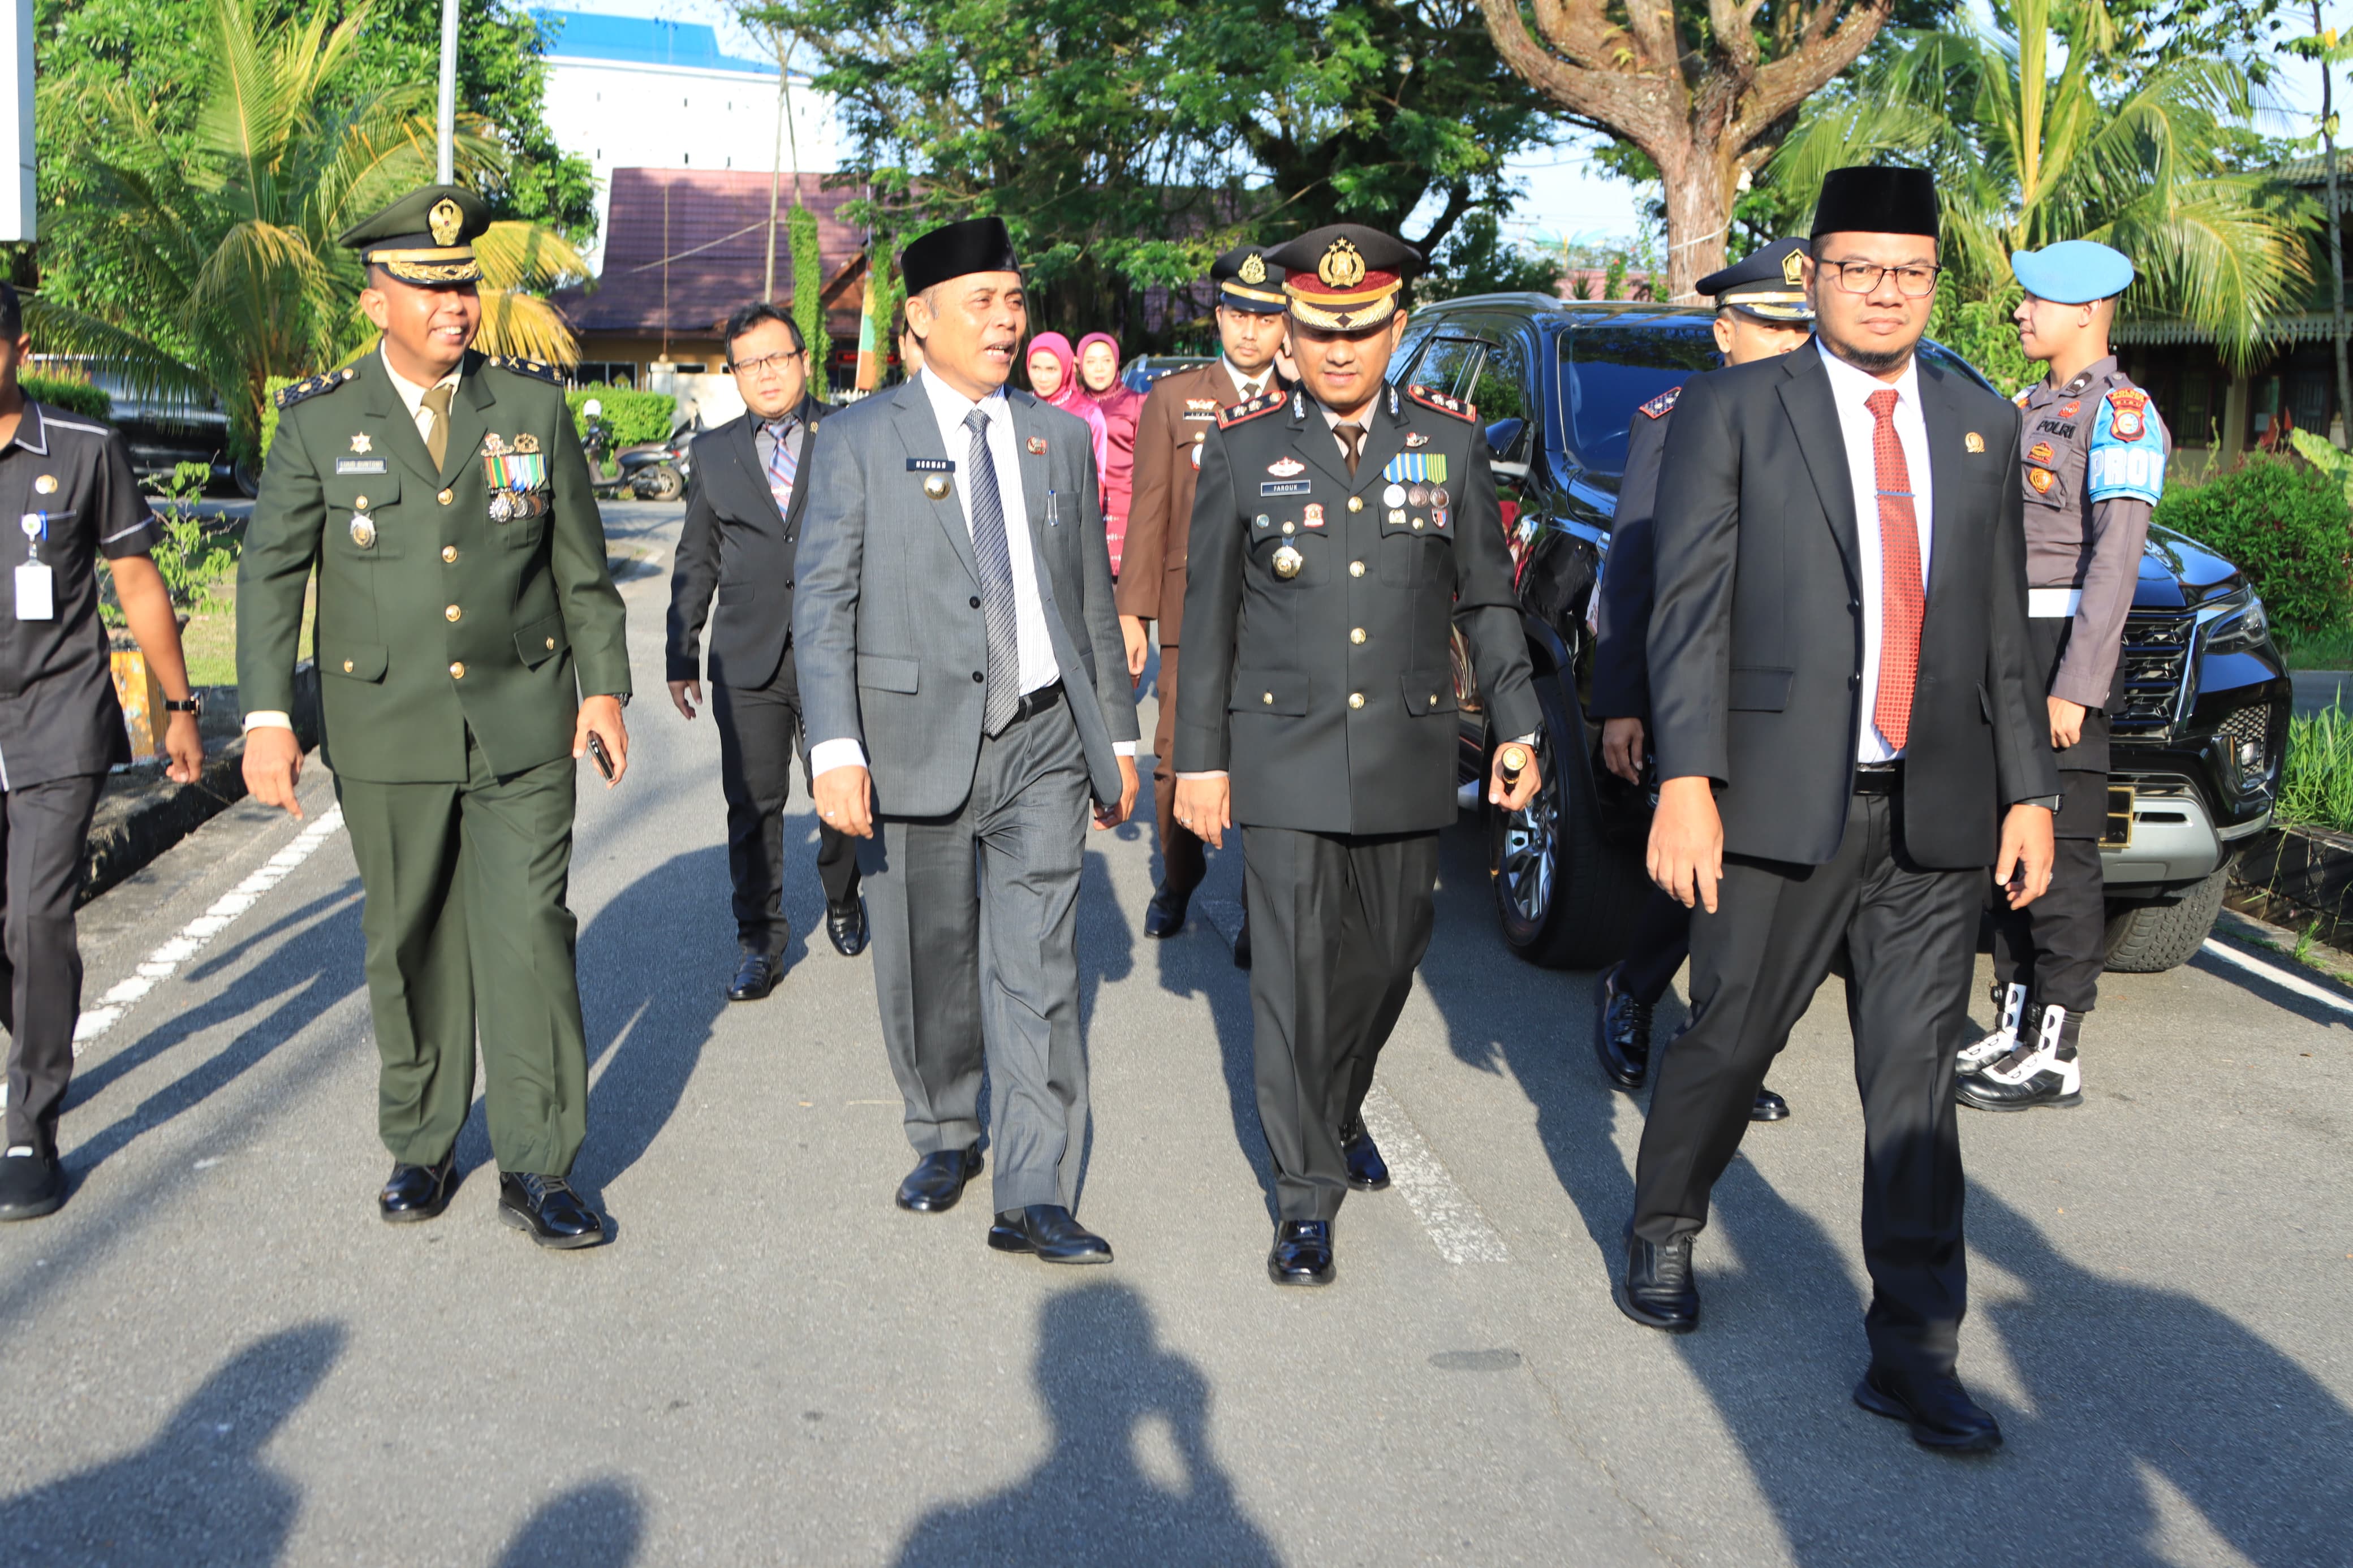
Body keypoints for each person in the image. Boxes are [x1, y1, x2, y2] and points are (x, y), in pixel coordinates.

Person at [1631, 166, 2057, 1452]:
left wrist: (2028, 793)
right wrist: (1687, 785)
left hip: (1934, 815)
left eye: (1910, 270)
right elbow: (1687, 608)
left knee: (1915, 1085)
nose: (1886, 290)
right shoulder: (1734, 410)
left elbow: (1996, 635)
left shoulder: (1978, 420)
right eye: (1861, 267)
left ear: (1934, 281)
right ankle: (1664, 1221)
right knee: (1731, 1038)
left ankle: (1915, 1348)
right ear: (1812, 275)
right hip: (1770, 802)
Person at [238, 184, 632, 1249]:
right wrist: (268, 713)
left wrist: (603, 687)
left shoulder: (533, 408)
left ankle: (542, 1160)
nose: (454, 303)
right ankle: (421, 1139)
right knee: (407, 937)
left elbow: (581, 570)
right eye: (428, 285)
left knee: (531, 935)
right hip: (386, 722)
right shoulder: (322, 421)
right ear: (377, 300)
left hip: (523, 716)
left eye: (463, 283)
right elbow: (272, 575)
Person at [1173, 224, 1543, 1288]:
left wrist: (1517, 720)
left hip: (1404, 744)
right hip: (1282, 749)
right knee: (1290, 976)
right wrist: (1200, 760)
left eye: (1363, 330)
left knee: (1390, 955)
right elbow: (1214, 615)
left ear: (1395, 327)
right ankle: (1304, 1195)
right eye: (1319, 331)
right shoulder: (1241, 450)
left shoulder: (1450, 442)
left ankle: (1335, 1108)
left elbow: (1486, 596)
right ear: (1288, 332)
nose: (1341, 351)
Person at [795, 217, 1141, 1263]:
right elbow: (822, 603)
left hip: (1038, 736)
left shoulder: (1058, 438)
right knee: (929, 958)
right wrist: (836, 748)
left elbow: (1089, 596)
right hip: (909, 740)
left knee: (1039, 966)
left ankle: (1034, 1187)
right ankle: (946, 1126)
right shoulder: (858, 440)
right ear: (922, 320)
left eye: (1014, 300)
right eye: (983, 303)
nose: (1006, 321)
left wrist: (1116, 735)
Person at [1590, 238, 1813, 1125]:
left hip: (1802, 699)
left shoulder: (1833, 417)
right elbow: (1637, 567)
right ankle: (1637, 990)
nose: (1794, 342)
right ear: (1726, 332)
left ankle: (1732, 1045)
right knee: (1699, 873)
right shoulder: (1675, 415)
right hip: (1705, 687)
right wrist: (1622, 701)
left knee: (1778, 888)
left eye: (1804, 326)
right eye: (1772, 326)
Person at [0, 281, 206, 1222]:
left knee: (39, 916)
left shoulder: (81, 452)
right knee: (21, 936)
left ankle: (29, 1121)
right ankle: (41, 1012)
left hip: (57, 720)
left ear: (18, 346)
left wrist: (178, 702)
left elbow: (136, 580)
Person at [1956, 241, 2164, 1112]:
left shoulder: (2121, 416)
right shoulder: (2026, 406)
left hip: (2063, 649)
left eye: (2036, 301)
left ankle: (2058, 1046)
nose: (2019, 313)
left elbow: (2116, 566)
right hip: (2011, 643)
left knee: (2066, 855)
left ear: (2087, 312)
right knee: (2009, 842)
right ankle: (2010, 1020)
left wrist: (2078, 683)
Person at [666, 301, 865, 1005]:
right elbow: (697, 555)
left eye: (779, 358)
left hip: (835, 654)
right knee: (752, 805)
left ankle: (842, 895)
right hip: (745, 659)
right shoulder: (713, 451)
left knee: (839, 794)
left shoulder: (846, 434)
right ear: (735, 374)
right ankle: (759, 939)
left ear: (805, 361)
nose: (767, 373)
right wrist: (679, 650)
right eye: (750, 363)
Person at [1117, 246, 1292, 959]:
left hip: (1282, 615)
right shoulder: (1174, 397)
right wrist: (1133, 611)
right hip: (1191, 611)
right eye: (1236, 315)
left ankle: (1261, 908)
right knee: (1172, 761)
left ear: (1285, 324)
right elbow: (1149, 508)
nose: (1249, 331)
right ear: (1217, 317)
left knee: (1269, 768)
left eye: (1264, 317)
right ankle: (1179, 878)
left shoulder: (1304, 399)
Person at [1075, 332, 1144, 576]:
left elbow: (1148, 463)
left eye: (1106, 360)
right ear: (1080, 365)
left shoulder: (1137, 403)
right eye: (1091, 362)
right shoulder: (1073, 405)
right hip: (1082, 505)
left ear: (1117, 362)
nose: (1099, 369)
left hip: (1126, 505)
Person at [1026, 331, 1111, 503]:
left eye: (1051, 369)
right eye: (1036, 368)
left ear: (1066, 368)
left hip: (1070, 516)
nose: (1042, 378)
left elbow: (1096, 480)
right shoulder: (1019, 405)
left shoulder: (1088, 413)